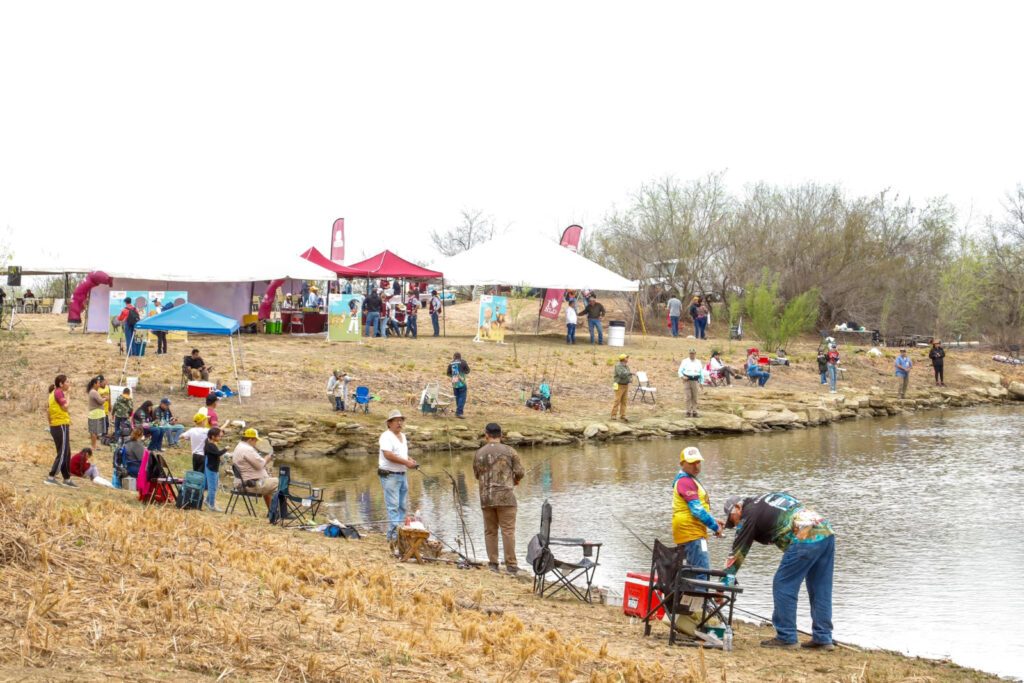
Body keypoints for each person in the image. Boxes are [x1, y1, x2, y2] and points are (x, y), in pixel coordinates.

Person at [722, 493, 835, 650]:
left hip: (805, 536)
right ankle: (823, 637)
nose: (735, 525)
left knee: (783, 584)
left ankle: (786, 636)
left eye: (731, 520)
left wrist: (722, 586)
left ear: (738, 507)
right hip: (825, 531)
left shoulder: (748, 514)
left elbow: (737, 554)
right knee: (820, 587)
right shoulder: (764, 501)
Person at [473, 422, 525, 573]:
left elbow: (477, 475)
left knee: (490, 531)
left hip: (486, 498)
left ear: (486, 435)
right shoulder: (510, 451)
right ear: (501, 436)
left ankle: (493, 564)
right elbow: (520, 472)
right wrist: (515, 479)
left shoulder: (479, 453)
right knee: (508, 531)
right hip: (506, 498)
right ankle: (511, 565)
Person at [672, 447, 724, 581]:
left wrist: (713, 519)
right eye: (691, 463)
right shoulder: (685, 481)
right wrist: (714, 526)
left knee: (693, 573)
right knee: (701, 573)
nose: (696, 467)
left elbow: (698, 508)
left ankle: (692, 601)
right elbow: (697, 510)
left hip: (691, 532)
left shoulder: (689, 479)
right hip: (692, 533)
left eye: (698, 462)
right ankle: (701, 602)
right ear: (682, 464)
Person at [378, 410, 418, 540]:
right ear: (389, 423)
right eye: (396, 420)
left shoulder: (403, 436)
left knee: (402, 505)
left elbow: (401, 454)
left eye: (401, 420)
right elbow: (388, 455)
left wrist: (410, 460)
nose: (399, 423)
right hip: (390, 475)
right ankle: (395, 534)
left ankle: (395, 532)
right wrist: (406, 462)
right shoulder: (386, 436)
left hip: (402, 474)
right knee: (393, 505)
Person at [44, 374, 76, 488]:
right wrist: (69, 394)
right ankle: (51, 476)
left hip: (59, 425)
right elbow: (66, 407)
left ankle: (66, 478)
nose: (69, 384)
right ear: (60, 384)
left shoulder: (55, 393)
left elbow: (48, 411)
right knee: (62, 452)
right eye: (67, 382)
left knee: (67, 452)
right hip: (59, 425)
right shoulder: (58, 392)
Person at [232, 428, 277, 509]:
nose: (256, 443)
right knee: (281, 483)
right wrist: (266, 458)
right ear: (250, 440)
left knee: (269, 480)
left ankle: (272, 511)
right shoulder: (247, 449)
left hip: (243, 482)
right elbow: (260, 464)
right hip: (249, 485)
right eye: (255, 441)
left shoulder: (239, 446)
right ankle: (283, 512)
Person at [203, 427, 227, 511]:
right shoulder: (210, 445)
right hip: (211, 469)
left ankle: (206, 501)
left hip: (214, 468)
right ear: (213, 436)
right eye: (219, 436)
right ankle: (212, 505)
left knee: (215, 486)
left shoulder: (212, 444)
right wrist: (225, 449)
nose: (220, 438)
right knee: (212, 488)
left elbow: (215, 455)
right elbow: (217, 453)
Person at [677, 348, 703, 417]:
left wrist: (701, 382)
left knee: (695, 397)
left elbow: (701, 372)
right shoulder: (685, 361)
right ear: (689, 354)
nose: (692, 355)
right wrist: (682, 376)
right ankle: (688, 412)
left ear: (695, 354)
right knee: (688, 396)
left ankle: (694, 412)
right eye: (691, 353)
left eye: (693, 353)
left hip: (695, 380)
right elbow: (679, 371)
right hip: (687, 380)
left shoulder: (698, 362)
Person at [446, 352, 470, 418]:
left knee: (457, 397)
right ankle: (459, 412)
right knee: (462, 397)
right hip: (461, 382)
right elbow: (468, 371)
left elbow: (448, 374)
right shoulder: (463, 362)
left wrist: (454, 376)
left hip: (454, 383)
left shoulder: (451, 363)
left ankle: (458, 411)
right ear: (460, 357)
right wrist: (462, 373)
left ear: (454, 357)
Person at [86, 376, 107, 450]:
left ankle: (94, 445)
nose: (99, 384)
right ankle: (94, 446)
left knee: (94, 431)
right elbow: (100, 401)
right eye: (98, 383)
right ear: (94, 384)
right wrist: (105, 398)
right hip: (96, 413)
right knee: (94, 431)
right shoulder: (94, 392)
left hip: (94, 413)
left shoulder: (92, 392)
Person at [611, 353, 632, 422]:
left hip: (626, 385)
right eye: (627, 357)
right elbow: (622, 374)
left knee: (624, 401)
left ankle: (623, 415)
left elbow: (628, 374)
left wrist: (630, 379)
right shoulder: (618, 366)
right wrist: (630, 373)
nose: (628, 359)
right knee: (617, 400)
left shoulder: (626, 366)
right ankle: (613, 415)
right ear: (623, 359)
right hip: (619, 385)